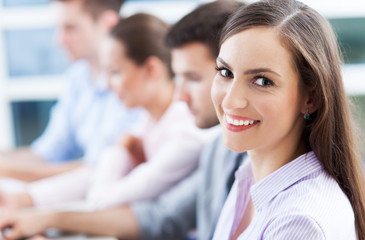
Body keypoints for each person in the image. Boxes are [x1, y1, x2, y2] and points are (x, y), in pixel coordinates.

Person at [0, 1, 244, 240]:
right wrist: (27, 203)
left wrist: (119, 149)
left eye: (192, 77)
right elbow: (91, 174)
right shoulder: (158, 124)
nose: (107, 84)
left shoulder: (189, 134)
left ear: (151, 70)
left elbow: (105, 197)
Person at [211, 0, 365, 239]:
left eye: (262, 81)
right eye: (226, 72)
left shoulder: (301, 223)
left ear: (310, 99)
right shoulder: (250, 174)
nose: (231, 101)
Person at [0, 0, 143, 183]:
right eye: (59, 28)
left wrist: (8, 171)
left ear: (109, 24)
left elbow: (98, 170)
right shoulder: (78, 77)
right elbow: (48, 153)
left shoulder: (131, 84)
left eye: (71, 28)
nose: (59, 40)